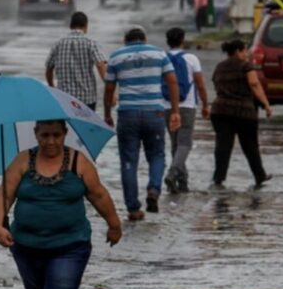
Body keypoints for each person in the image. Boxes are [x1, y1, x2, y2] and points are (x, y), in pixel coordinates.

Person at [0, 120, 121, 289]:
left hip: (70, 244)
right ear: (36, 135)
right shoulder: (21, 161)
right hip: (26, 245)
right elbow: (4, 195)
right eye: (45, 135)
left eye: (56, 135)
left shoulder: (78, 162)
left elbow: (98, 195)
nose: (51, 141)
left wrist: (114, 224)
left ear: (65, 134)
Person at [104, 26, 181, 221]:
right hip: (154, 113)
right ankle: (154, 189)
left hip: (127, 114)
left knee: (129, 161)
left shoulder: (116, 56)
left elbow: (109, 88)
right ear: (144, 39)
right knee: (157, 155)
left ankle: (133, 209)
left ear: (125, 40)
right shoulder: (158, 53)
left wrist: (107, 114)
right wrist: (175, 111)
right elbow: (172, 81)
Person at [210, 39, 273, 188]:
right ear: (238, 51)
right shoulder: (245, 66)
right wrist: (266, 104)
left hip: (220, 110)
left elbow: (215, 83)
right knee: (250, 145)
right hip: (243, 112)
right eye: (245, 50)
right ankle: (260, 176)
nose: (247, 53)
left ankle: (218, 178)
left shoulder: (219, 66)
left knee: (223, 145)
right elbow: (254, 84)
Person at [163, 27, 210, 193]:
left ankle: (182, 183)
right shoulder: (191, 58)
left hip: (167, 106)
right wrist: (205, 104)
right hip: (187, 106)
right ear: (182, 39)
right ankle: (172, 174)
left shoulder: (163, 58)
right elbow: (200, 84)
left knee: (175, 145)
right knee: (185, 144)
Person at [45, 12, 108, 111]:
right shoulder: (91, 43)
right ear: (86, 26)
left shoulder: (58, 44)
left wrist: (52, 87)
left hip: (64, 99)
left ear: (70, 26)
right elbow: (101, 66)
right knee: (87, 126)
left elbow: (49, 68)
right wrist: (110, 91)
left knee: (67, 126)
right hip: (87, 100)